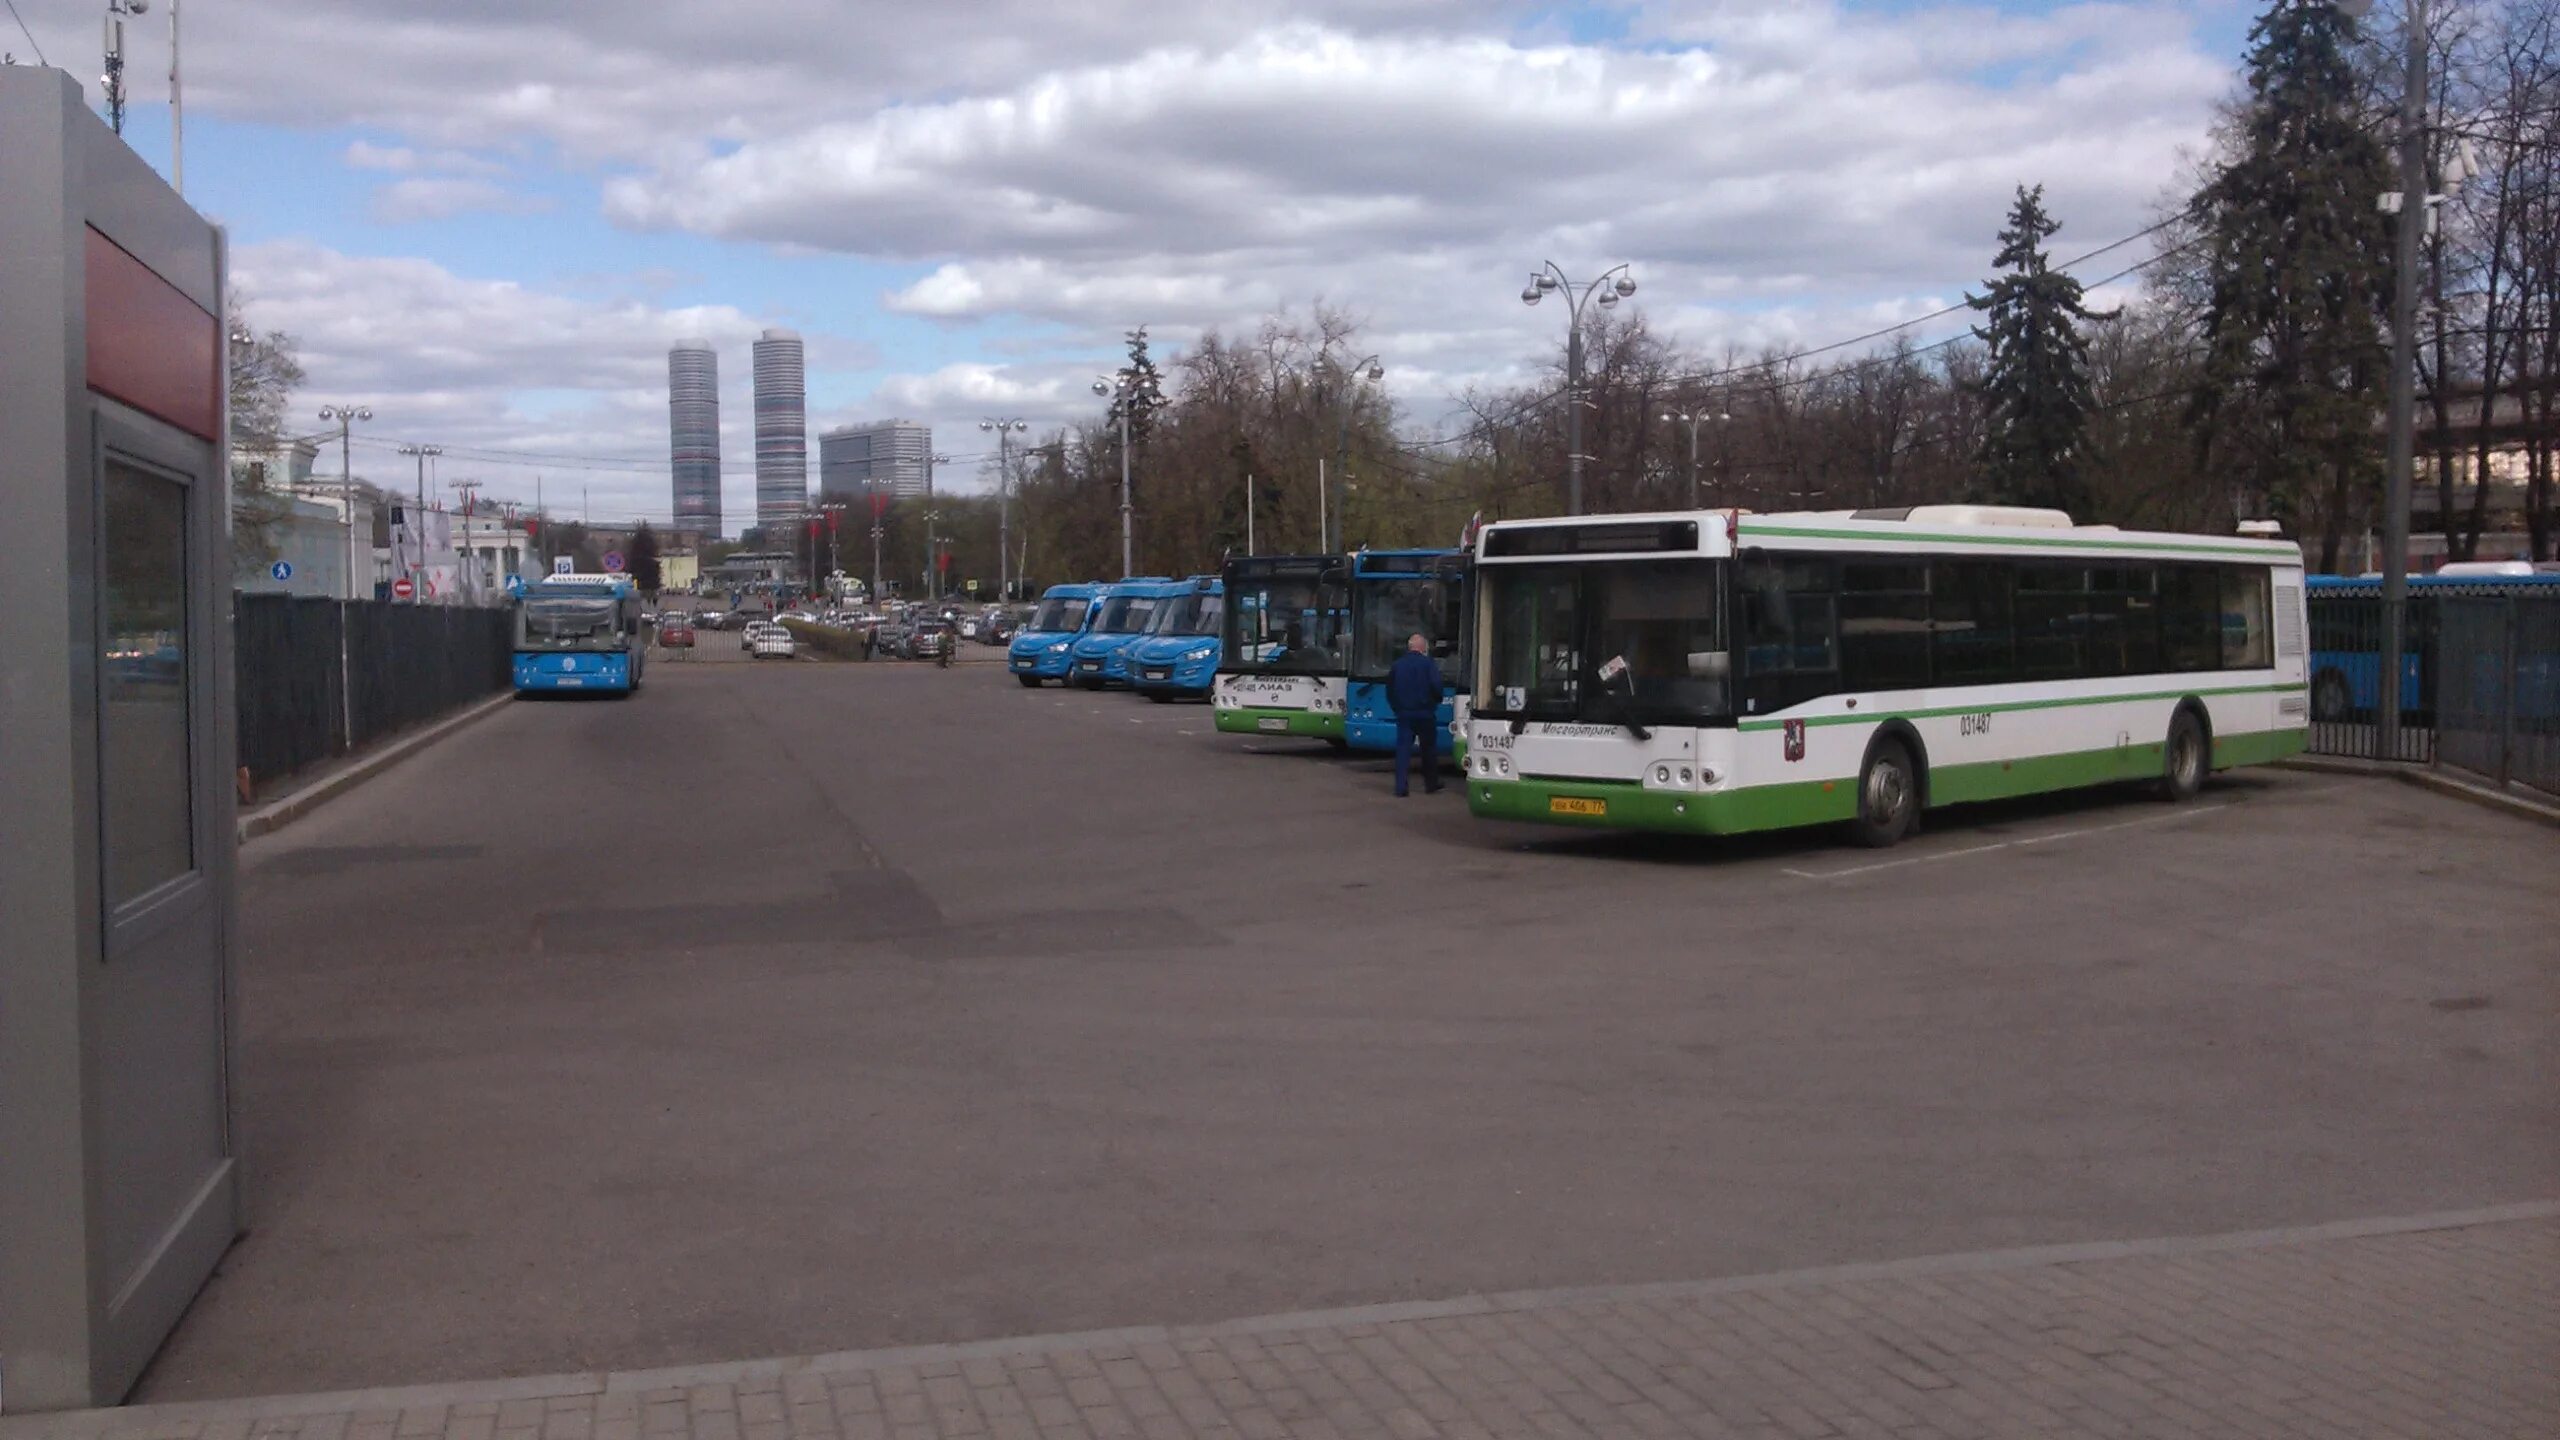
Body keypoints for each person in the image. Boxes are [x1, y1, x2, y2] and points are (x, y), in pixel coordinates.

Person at [1384, 632, 1444, 798]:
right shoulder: (1428, 664)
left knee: (1403, 750)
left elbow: (1389, 690)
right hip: (1425, 713)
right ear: (1422, 647)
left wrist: (1396, 707)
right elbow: (1437, 686)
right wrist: (1435, 702)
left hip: (1404, 713)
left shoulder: (1397, 665)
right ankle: (1431, 784)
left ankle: (1401, 787)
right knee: (1429, 750)